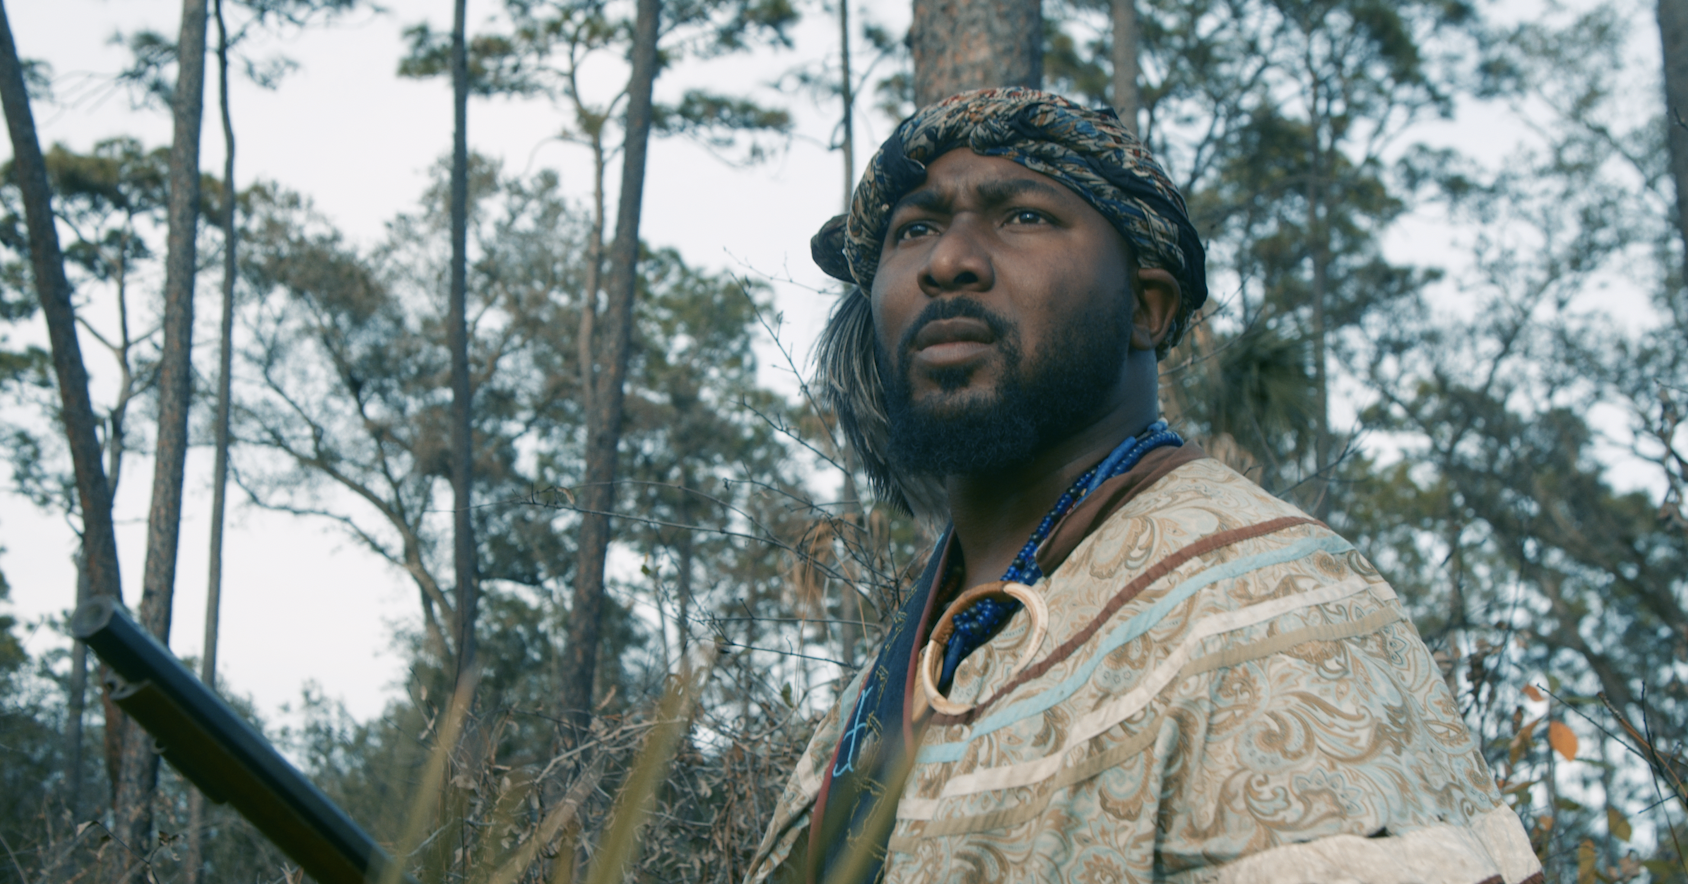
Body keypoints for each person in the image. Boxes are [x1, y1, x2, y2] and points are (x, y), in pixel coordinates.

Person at [744, 88, 1541, 884]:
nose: (947, 260)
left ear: (1147, 310)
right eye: (914, 229)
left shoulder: (1268, 605)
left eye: (1023, 215)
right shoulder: (891, 676)